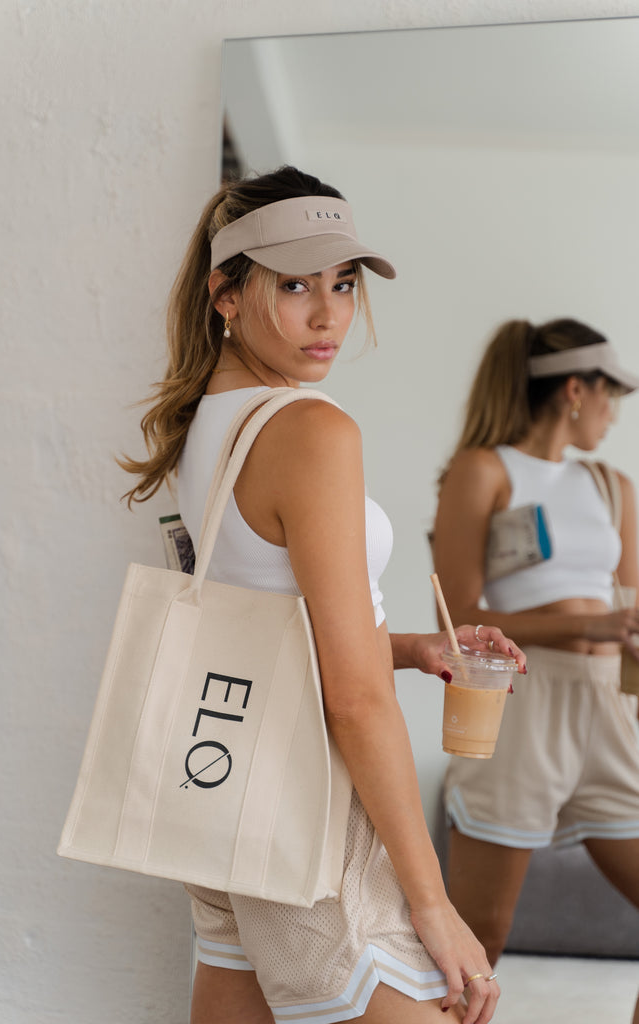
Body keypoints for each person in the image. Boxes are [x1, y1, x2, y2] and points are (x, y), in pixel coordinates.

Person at [119, 166, 526, 1024]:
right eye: (294, 284)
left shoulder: (210, 426)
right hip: (314, 807)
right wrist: (431, 906)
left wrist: (414, 648)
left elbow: (274, 622)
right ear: (223, 294)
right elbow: (351, 701)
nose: (328, 313)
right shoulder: (310, 428)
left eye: (342, 283)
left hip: (229, 789)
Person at [432, 317, 639, 1020]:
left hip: (607, 709)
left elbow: (630, 606)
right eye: (612, 397)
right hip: (521, 705)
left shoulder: (611, 486)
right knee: (477, 936)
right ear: (575, 390)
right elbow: (456, 615)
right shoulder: (483, 470)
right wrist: (591, 624)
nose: (614, 415)